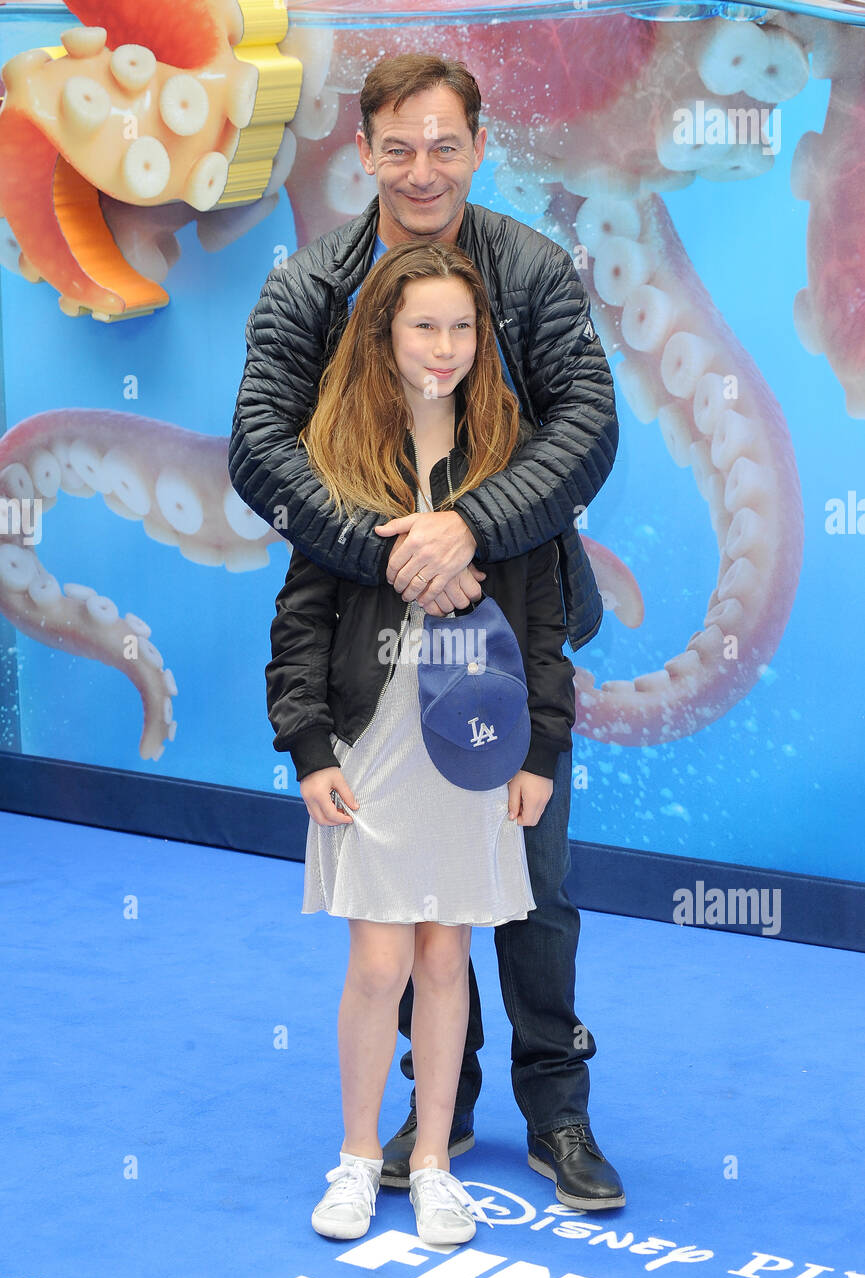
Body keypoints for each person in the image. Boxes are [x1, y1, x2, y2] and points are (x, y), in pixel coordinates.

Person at [230, 53, 625, 1209]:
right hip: (369, 638)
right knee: (403, 909)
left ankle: (557, 1107)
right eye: (397, 146)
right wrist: (393, 549)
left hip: (510, 626)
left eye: (443, 144)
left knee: (531, 887)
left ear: (477, 146)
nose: (420, 169)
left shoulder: (535, 270)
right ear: (362, 152)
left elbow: (586, 427)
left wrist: (467, 527)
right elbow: (261, 445)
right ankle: (434, 1113)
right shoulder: (308, 286)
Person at [266, 239, 579, 1245]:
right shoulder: (340, 456)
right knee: (378, 959)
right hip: (372, 745)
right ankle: (360, 1155)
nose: (441, 347)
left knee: (447, 954)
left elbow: (541, 623)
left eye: (460, 327)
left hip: (478, 746)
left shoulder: (511, 461)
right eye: (421, 326)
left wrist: (539, 751)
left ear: (481, 338)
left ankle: (436, 1160)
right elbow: (301, 617)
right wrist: (309, 743)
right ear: (382, 335)